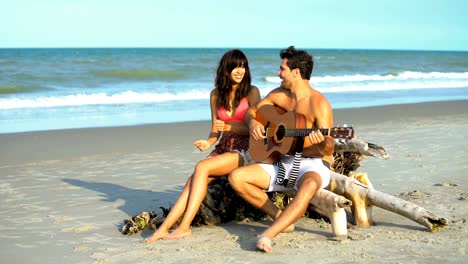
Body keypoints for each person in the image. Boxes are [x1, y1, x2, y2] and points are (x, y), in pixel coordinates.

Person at [144, 49, 260, 243]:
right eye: (235, 67)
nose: (240, 71)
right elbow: (215, 130)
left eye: (243, 67)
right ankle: (164, 229)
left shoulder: (252, 92)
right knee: (192, 181)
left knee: (202, 167)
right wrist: (208, 142)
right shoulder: (215, 95)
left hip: (246, 148)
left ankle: (184, 227)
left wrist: (231, 126)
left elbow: (256, 129)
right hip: (224, 147)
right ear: (226, 69)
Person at [228, 46, 334, 253]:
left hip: (310, 164)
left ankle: (268, 234)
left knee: (310, 183)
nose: (278, 73)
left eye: (282, 69)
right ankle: (280, 216)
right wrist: (253, 124)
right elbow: (252, 111)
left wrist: (320, 141)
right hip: (282, 161)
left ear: (296, 72)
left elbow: (329, 145)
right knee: (237, 178)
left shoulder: (318, 103)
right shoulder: (279, 95)